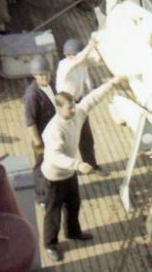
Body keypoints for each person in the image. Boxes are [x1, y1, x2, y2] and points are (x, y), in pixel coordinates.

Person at [41, 75, 124, 262]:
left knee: (73, 204)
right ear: (58, 108)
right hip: (54, 177)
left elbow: (92, 98)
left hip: (69, 174)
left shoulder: (77, 113)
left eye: (73, 106)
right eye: (69, 108)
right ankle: (50, 244)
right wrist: (77, 164)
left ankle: (73, 232)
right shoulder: (54, 130)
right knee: (53, 212)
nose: (73, 109)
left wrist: (111, 83)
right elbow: (54, 156)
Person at [56, 36, 108, 175]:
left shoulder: (81, 62)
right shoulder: (64, 65)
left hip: (77, 103)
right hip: (64, 106)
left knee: (86, 137)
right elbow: (80, 59)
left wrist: (98, 45)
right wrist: (90, 45)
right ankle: (65, 169)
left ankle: (91, 166)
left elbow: (97, 60)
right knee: (66, 139)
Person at [23, 55, 56, 206]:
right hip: (42, 138)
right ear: (34, 76)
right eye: (41, 75)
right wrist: (38, 144)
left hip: (54, 134)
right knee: (41, 167)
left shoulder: (52, 85)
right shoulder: (32, 96)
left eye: (46, 74)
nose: (45, 78)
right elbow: (30, 122)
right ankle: (41, 197)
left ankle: (55, 190)